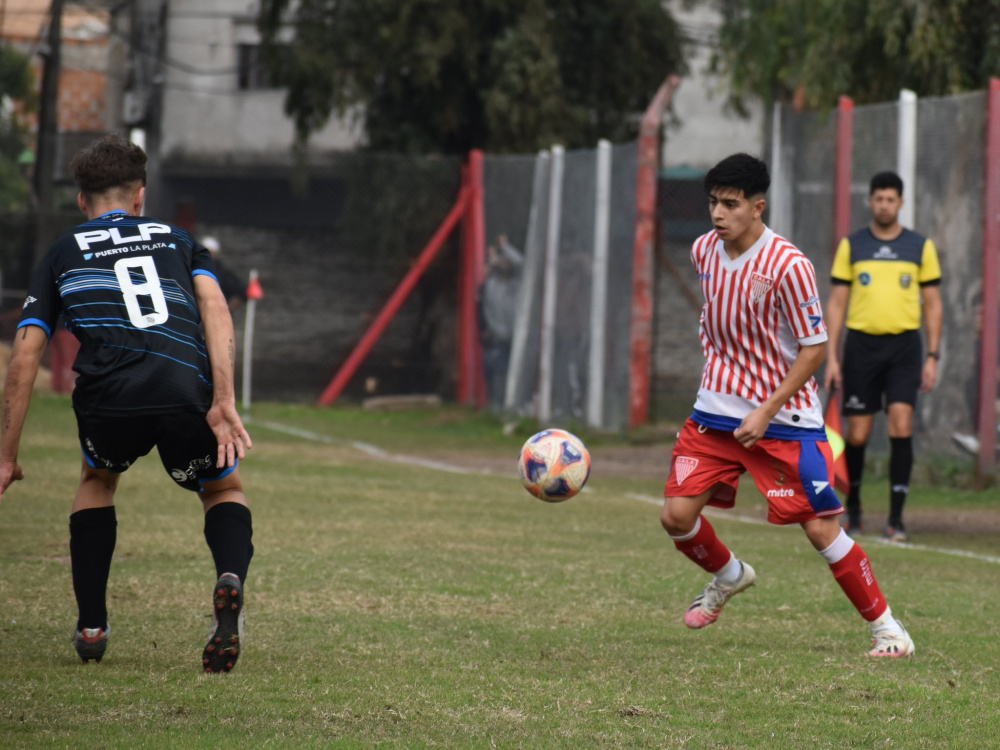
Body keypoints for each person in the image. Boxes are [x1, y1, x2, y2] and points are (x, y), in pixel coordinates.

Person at [0, 134, 254, 674]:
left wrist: (6, 455)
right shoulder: (178, 240)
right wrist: (223, 400)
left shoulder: (62, 252)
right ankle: (229, 577)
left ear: (81, 201)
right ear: (140, 197)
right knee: (222, 488)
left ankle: (92, 626)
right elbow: (216, 309)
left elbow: (24, 359)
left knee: (97, 481)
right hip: (184, 387)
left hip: (109, 397)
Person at [661, 153, 914, 658]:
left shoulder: (788, 265)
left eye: (730, 204)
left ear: (758, 207)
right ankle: (730, 575)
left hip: (784, 420)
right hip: (714, 411)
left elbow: (814, 347)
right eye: (713, 202)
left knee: (820, 529)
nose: (718, 213)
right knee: (676, 517)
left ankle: (889, 631)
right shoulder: (703, 250)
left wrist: (765, 410)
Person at [823, 171, 943, 542]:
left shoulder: (920, 247)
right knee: (858, 433)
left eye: (891, 199)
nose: (885, 205)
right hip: (861, 348)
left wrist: (933, 355)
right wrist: (832, 358)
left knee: (901, 426)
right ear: (870, 201)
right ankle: (854, 509)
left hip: (905, 348)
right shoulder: (852, 245)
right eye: (879, 199)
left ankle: (896, 519)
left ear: (901, 203)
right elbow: (837, 303)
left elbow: (933, 304)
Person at [478, 234, 523, 410]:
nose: (504, 263)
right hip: (497, 337)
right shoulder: (491, 285)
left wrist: (505, 247)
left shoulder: (518, 283)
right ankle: (496, 408)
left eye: (507, 260)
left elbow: (519, 263)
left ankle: (514, 406)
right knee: (497, 372)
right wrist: (489, 329)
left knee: (517, 372)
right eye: (502, 260)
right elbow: (485, 309)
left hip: (516, 337)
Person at [201, 236, 248, 312]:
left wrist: (226, 309)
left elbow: (243, 292)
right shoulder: (192, 268)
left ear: (215, 254)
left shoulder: (224, 274)